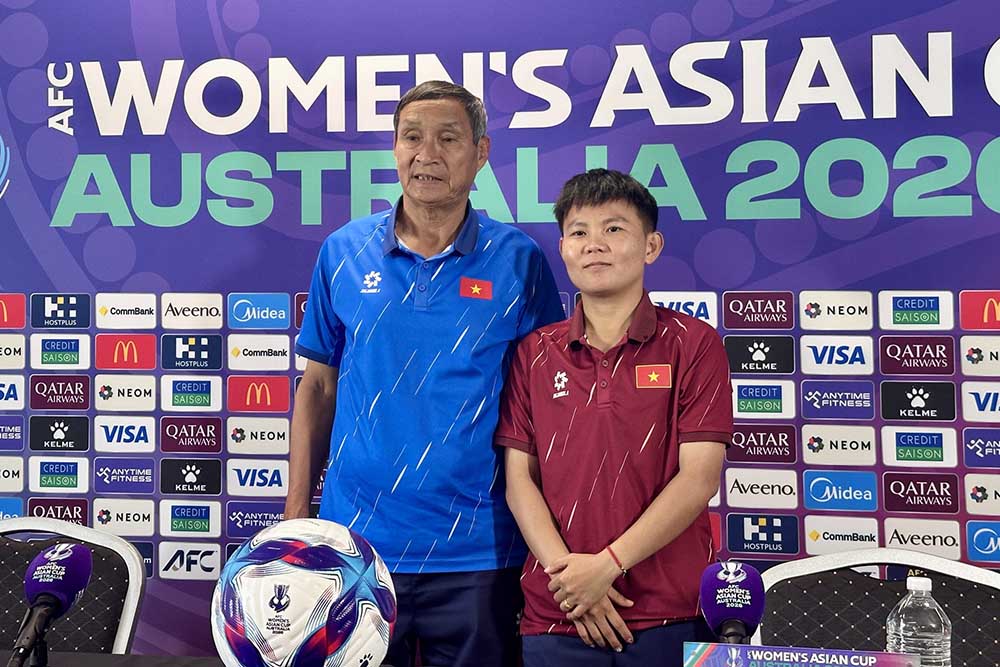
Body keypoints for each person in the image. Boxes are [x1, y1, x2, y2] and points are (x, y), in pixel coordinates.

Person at [288, 80, 564, 667]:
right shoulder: (343, 251)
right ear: (394, 149)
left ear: (481, 153)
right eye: (411, 137)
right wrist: (294, 523)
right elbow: (316, 386)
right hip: (355, 547)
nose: (426, 154)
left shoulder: (520, 260)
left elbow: (544, 406)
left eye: (447, 138)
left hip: (479, 551)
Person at [495, 169, 732, 666]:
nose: (594, 245)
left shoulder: (694, 343)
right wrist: (573, 580)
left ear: (651, 245)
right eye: (579, 232)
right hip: (558, 612)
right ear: (562, 248)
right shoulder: (534, 354)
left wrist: (608, 565)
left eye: (614, 229)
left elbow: (699, 478)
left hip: (669, 612)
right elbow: (520, 482)